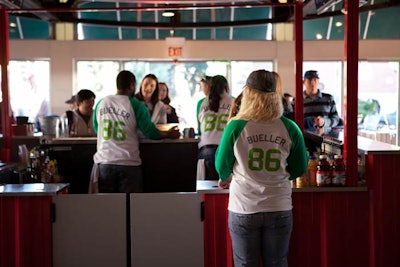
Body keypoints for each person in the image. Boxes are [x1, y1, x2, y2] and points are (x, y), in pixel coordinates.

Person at [215, 69, 308, 267]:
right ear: (275, 96)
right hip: (279, 205)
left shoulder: (236, 126)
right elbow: (300, 168)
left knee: (245, 264)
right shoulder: (290, 127)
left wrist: (226, 176)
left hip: (244, 207)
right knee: (277, 263)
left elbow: (221, 165)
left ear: (248, 94)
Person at [92, 70, 180, 193]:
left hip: (104, 163)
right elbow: (150, 132)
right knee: (130, 207)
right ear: (132, 86)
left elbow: (97, 128)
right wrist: (169, 134)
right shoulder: (136, 105)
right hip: (128, 163)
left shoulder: (101, 103)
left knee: (107, 207)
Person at [197, 75, 233, 180]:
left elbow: (200, 129)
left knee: (207, 189)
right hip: (225, 149)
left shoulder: (201, 103)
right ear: (226, 87)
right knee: (224, 189)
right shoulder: (234, 101)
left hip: (205, 149)